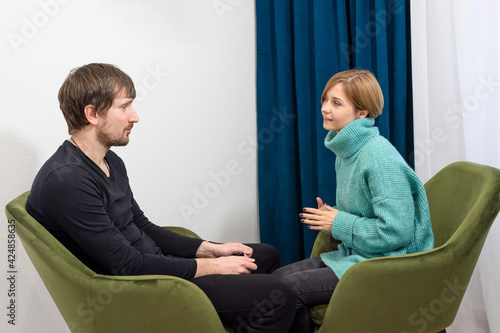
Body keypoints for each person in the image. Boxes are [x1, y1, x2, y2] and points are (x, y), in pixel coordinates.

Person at [26, 63, 297, 333]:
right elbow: (125, 265)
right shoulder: (69, 180)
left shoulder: (110, 162)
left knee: (265, 256)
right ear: (92, 114)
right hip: (140, 289)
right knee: (279, 295)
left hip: (152, 264)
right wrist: (210, 266)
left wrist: (208, 248)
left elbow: (142, 226)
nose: (135, 117)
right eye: (124, 107)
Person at [273, 69, 435, 332]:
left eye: (336, 103)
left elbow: (396, 233)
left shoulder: (378, 158)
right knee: (277, 280)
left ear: (361, 112)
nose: (325, 108)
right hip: (356, 256)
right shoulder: (347, 150)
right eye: (326, 99)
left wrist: (339, 222)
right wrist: (333, 215)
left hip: (387, 266)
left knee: (285, 292)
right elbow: (366, 211)